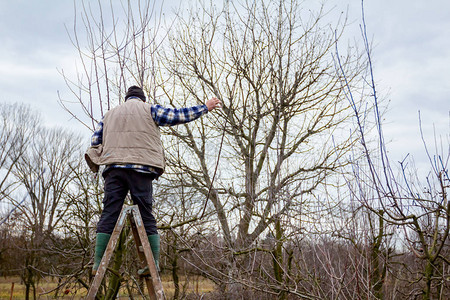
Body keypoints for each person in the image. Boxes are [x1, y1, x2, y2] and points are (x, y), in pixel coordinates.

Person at [85, 86, 221, 275]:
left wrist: (101, 161)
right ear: (142, 99)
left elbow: (95, 141)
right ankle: (152, 264)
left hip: (114, 169)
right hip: (141, 168)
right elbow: (177, 116)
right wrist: (205, 107)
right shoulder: (149, 109)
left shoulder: (109, 115)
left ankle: (98, 264)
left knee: (109, 213)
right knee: (145, 214)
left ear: (126, 99)